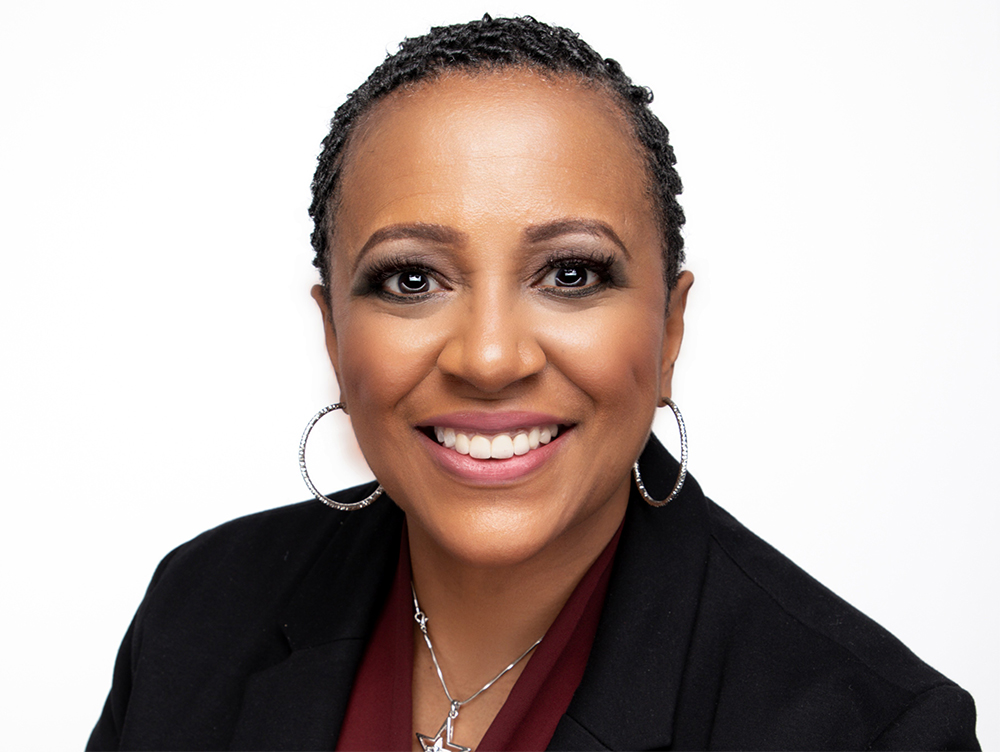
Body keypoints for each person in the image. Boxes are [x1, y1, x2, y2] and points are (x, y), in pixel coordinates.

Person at [87, 15, 979, 751]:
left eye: (571, 275)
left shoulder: (873, 729)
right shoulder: (196, 613)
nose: (488, 357)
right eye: (410, 280)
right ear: (331, 331)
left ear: (671, 329)